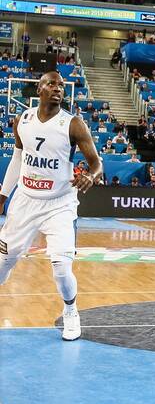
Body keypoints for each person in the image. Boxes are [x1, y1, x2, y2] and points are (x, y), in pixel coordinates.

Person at [0, 72, 103, 341]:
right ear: (39, 89)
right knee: (2, 263)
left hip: (60, 203)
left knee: (60, 264)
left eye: (60, 85)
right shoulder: (22, 120)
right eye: (51, 84)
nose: (57, 89)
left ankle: (71, 311)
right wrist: (2, 196)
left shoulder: (74, 124)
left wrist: (90, 176)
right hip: (24, 201)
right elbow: (18, 159)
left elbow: (96, 163)